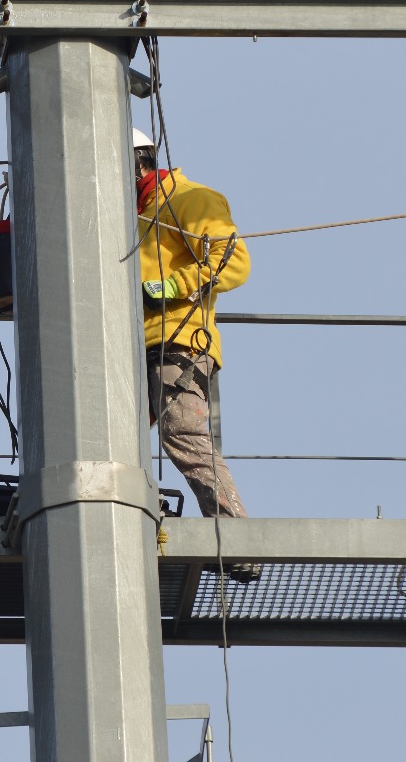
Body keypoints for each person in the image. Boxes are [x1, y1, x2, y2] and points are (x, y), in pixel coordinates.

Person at [133, 128, 259, 582]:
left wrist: (175, 286)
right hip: (127, 348)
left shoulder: (188, 198)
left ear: (138, 163)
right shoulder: (132, 214)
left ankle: (236, 540)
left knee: (182, 433)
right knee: (105, 439)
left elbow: (233, 260)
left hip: (178, 341)